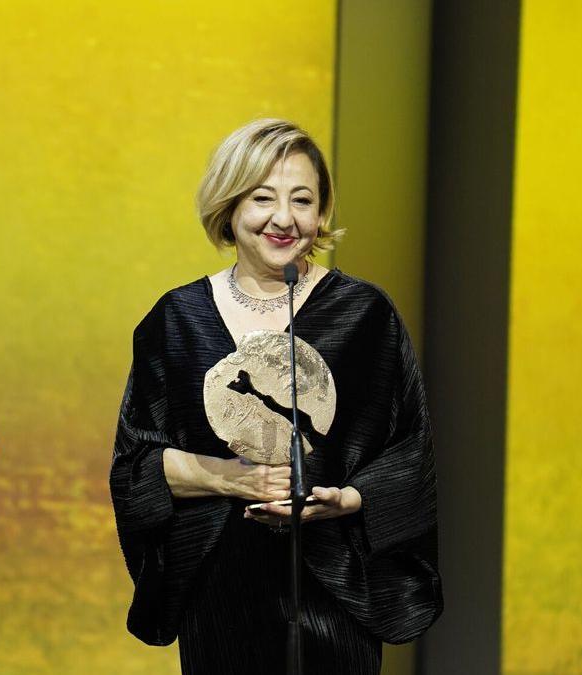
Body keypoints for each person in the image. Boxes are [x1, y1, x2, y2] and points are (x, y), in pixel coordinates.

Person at [110, 119, 442, 673]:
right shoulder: (177, 320)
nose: (284, 219)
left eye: (303, 200)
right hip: (219, 586)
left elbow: (411, 451)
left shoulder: (364, 315)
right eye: (263, 198)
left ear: (322, 212)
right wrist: (230, 478)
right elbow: (135, 466)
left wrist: (349, 499)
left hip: (335, 584)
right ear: (229, 204)